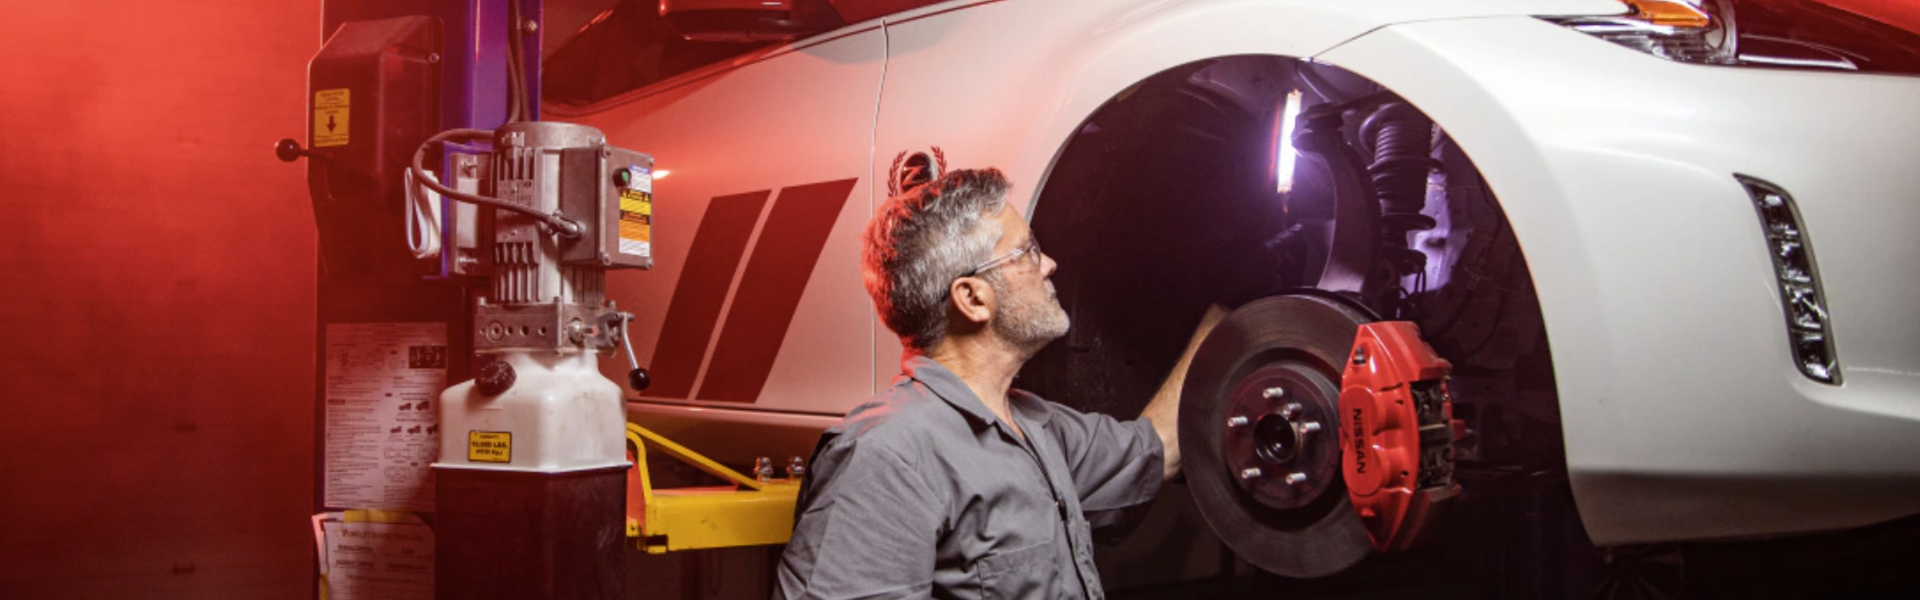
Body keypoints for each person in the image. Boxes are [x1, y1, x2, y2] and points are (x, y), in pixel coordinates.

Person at [775, 168, 1224, 599]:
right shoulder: (886, 458)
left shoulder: (1038, 428)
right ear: (972, 298)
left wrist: (1232, 311)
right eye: (1026, 252)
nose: (1049, 264)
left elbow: (1157, 450)